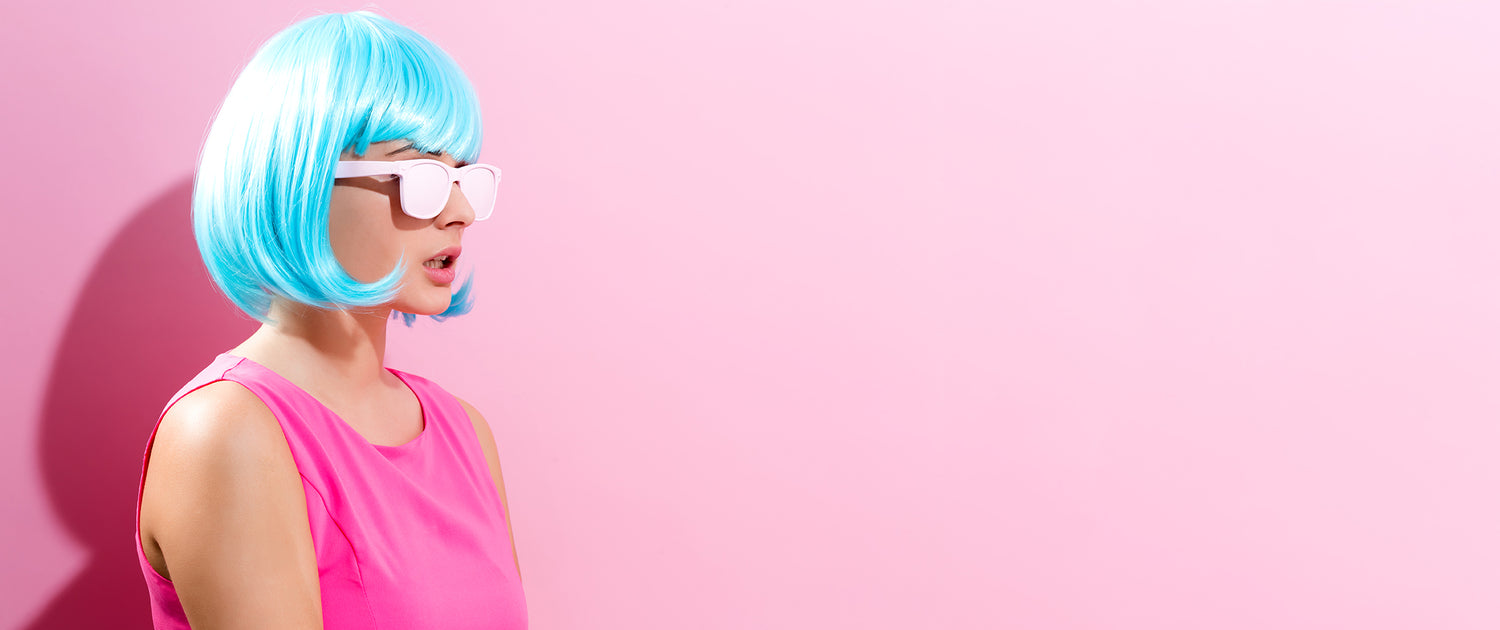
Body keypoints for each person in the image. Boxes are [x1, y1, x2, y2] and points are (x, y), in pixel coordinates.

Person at [132, 11, 528, 629]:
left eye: (462, 176)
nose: (458, 211)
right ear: (303, 183)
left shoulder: (462, 431)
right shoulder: (226, 432)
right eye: (419, 175)